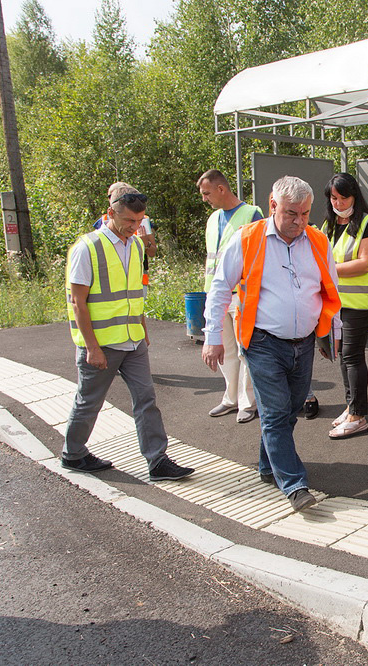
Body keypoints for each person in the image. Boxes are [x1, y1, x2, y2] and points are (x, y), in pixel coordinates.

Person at [201, 175, 341, 513]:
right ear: (273, 205)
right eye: (292, 214)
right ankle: (294, 484)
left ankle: (268, 466)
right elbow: (220, 288)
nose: (300, 222)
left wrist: (330, 335)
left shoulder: (318, 241)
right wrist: (212, 336)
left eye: (306, 214)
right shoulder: (247, 239)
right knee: (277, 413)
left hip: (305, 342)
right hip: (262, 341)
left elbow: (330, 290)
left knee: (290, 410)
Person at [62, 183, 194, 482]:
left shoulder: (135, 246)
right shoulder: (88, 247)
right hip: (101, 344)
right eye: (128, 221)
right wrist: (92, 347)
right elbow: (78, 302)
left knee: (146, 398)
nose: (134, 228)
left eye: (139, 221)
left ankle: (157, 461)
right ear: (111, 213)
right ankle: (73, 453)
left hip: (133, 340)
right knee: (89, 401)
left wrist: (143, 329)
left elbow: (134, 292)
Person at [198, 169, 264, 424]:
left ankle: (248, 402)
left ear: (221, 189)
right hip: (216, 292)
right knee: (224, 347)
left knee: (244, 349)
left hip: (242, 293)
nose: (205, 198)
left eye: (207, 193)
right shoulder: (213, 219)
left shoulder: (251, 214)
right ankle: (231, 398)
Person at [319, 173, 368, 439]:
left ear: (354, 195)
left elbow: (366, 262)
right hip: (336, 303)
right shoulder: (328, 225)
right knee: (344, 358)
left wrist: (328, 271)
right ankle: (351, 406)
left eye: (344, 197)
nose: (339, 203)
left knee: (352, 357)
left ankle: (358, 416)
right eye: (334, 198)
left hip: (359, 303)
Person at [94, 182, 156, 299]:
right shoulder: (103, 221)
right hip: (113, 273)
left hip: (140, 270)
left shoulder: (143, 220)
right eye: (110, 196)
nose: (134, 226)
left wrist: (145, 243)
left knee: (140, 298)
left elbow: (153, 252)